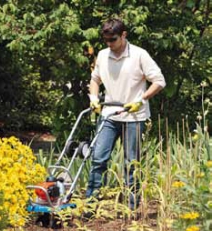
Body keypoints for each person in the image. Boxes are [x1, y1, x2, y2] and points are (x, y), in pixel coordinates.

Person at [86, 18, 166, 210]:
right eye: (106, 40)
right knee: (98, 158)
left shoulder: (139, 55)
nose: (109, 44)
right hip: (109, 115)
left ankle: (131, 209)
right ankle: (89, 205)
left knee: (131, 164)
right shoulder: (104, 55)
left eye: (113, 39)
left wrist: (141, 100)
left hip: (133, 117)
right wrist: (94, 97)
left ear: (124, 35)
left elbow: (159, 81)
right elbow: (95, 80)